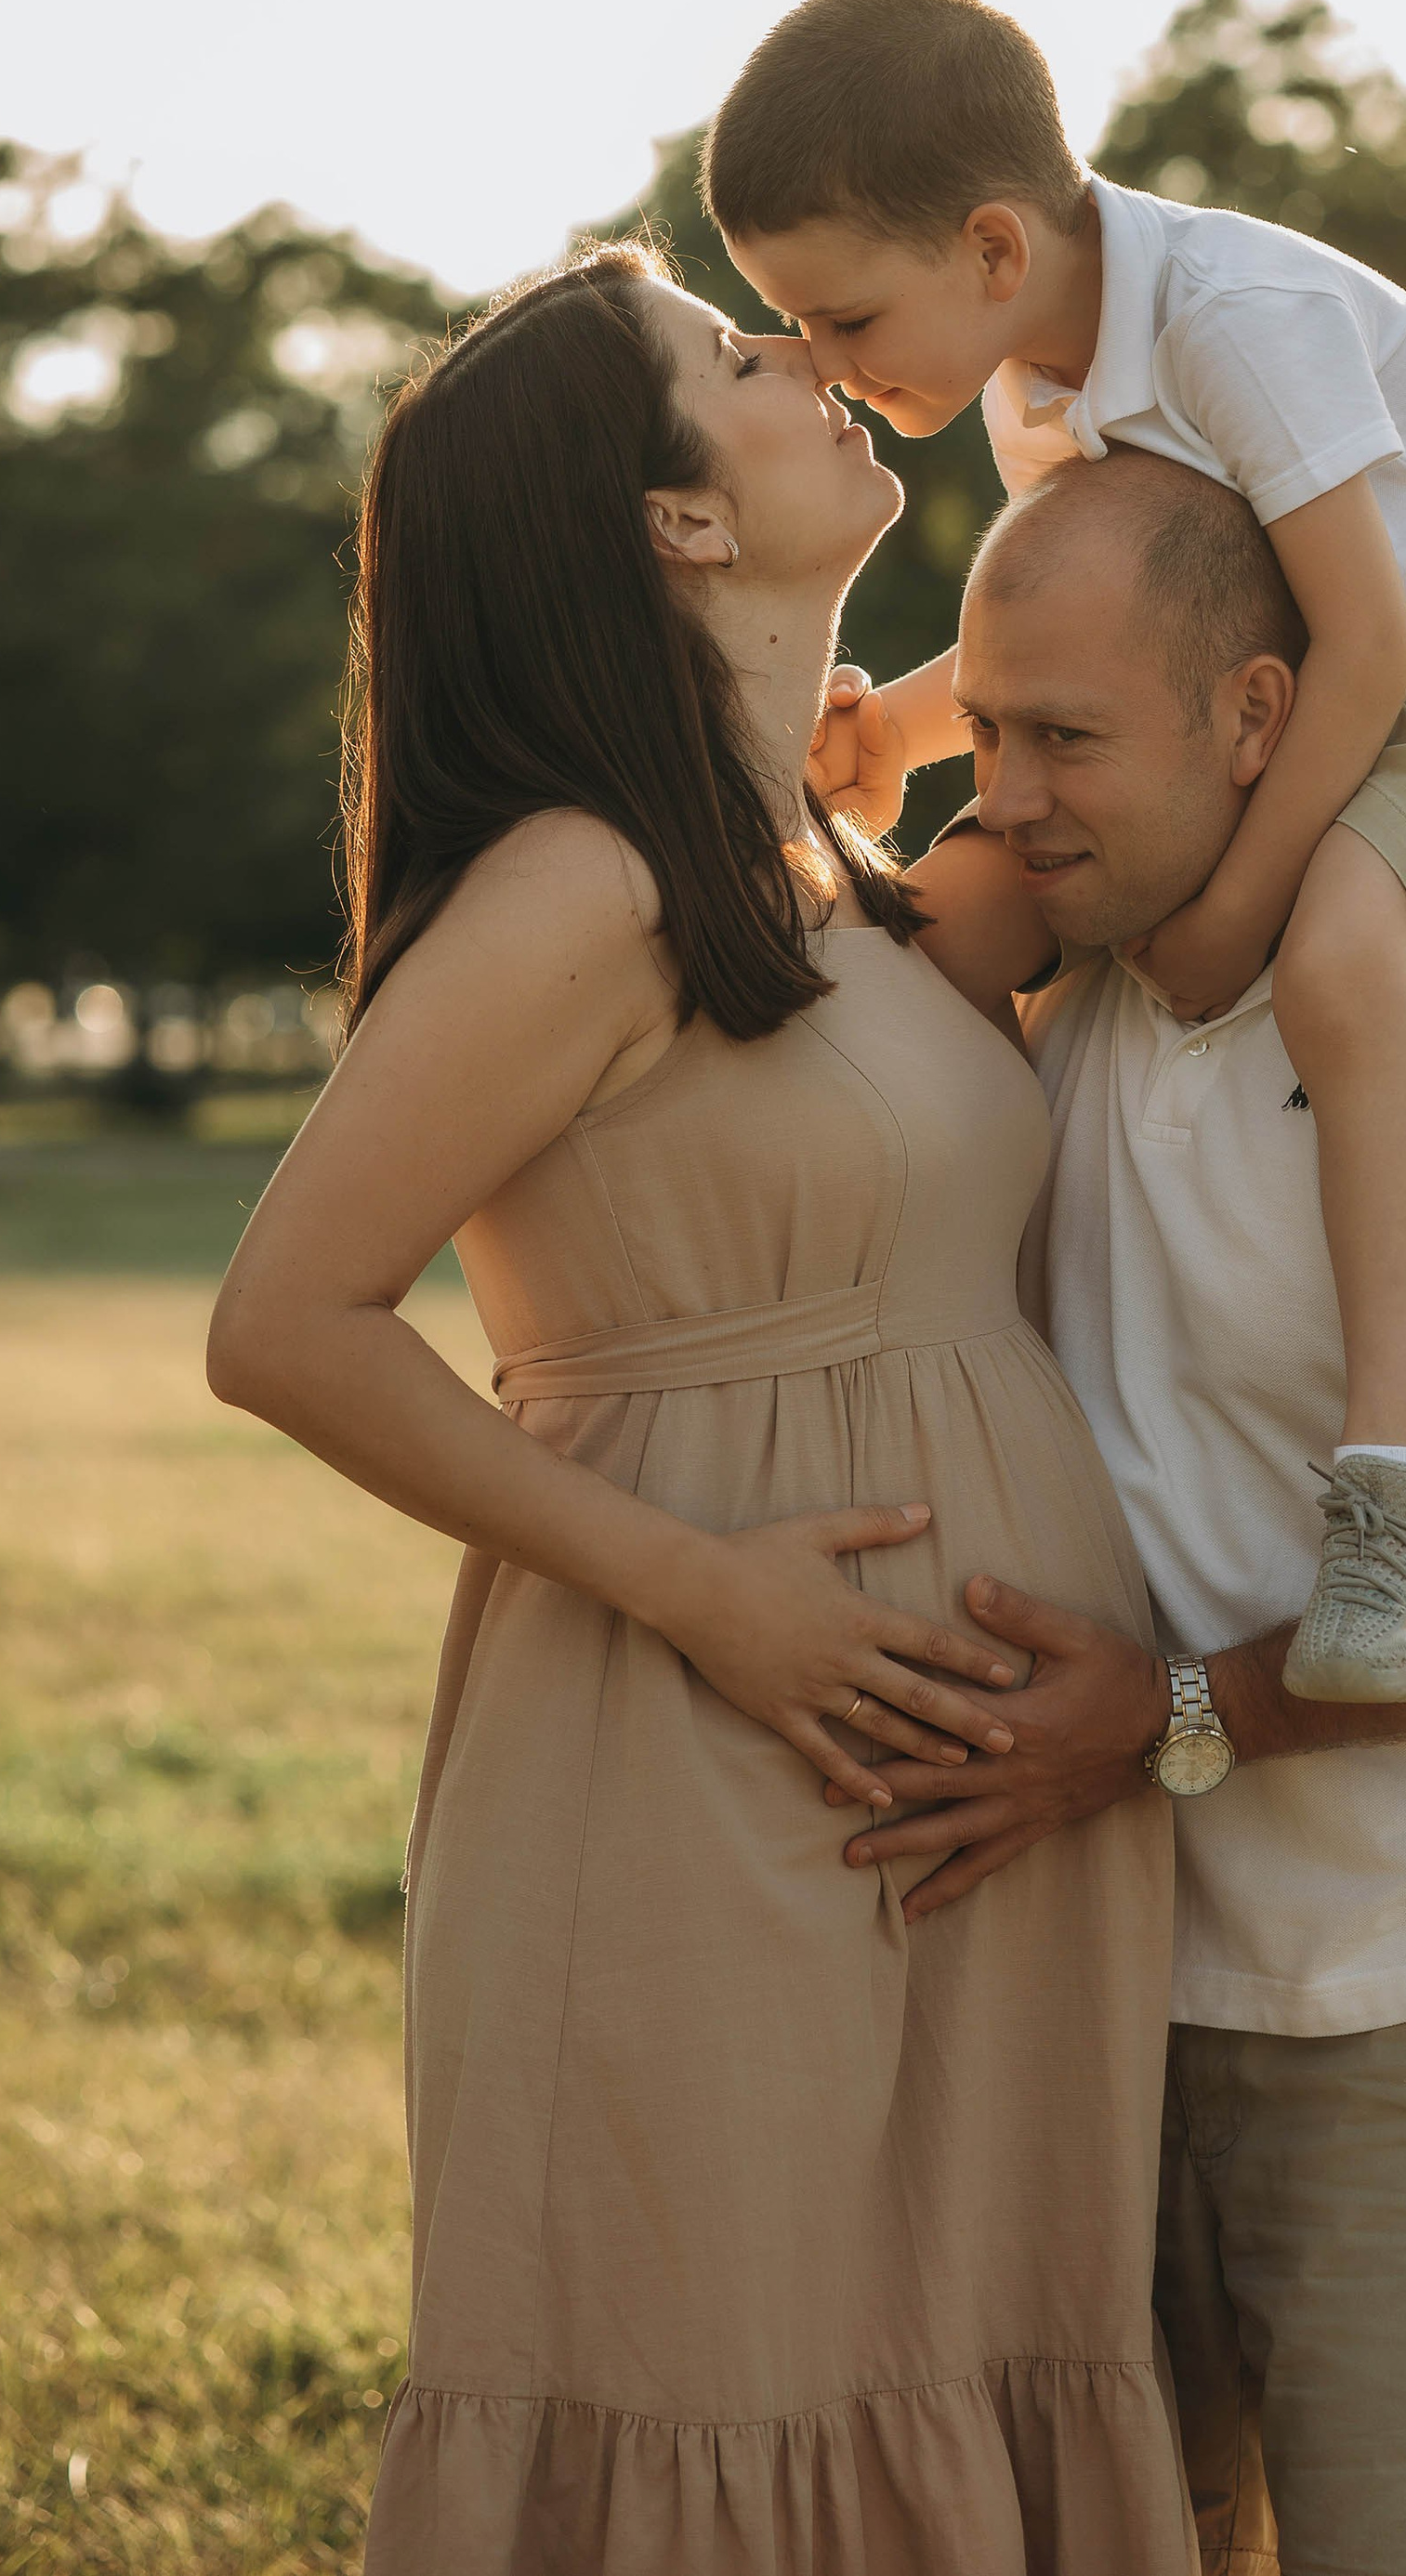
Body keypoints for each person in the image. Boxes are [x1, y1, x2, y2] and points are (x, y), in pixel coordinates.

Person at [204, 246, 1196, 2575]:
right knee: (726, 2394)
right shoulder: (585, 884)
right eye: (738, 354)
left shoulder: (817, 874)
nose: (807, 358)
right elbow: (286, 1322)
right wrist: (708, 1599)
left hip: (956, 1783)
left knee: (950, 2356)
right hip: (707, 1758)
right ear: (673, 517)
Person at [823, 448, 1406, 2576]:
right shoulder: (1070, 984)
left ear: (1257, 714)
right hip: (1109, 1988)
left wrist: (1167, 1719)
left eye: (1066, 741)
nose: (1005, 797)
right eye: (988, 728)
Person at [707, 0, 1406, 1705]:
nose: (821, 366)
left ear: (992, 247)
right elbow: (1098, 640)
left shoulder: (1233, 321)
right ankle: (935, 1364)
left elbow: (1372, 644)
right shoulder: (1029, 374)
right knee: (944, 928)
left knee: (1336, 961)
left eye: (842, 318)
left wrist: (1240, 902)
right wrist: (891, 735)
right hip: (1241, 697)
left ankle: (1393, 1508)